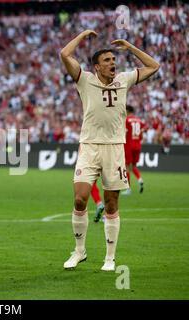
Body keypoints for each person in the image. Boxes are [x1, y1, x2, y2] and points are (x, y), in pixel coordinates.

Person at [60, 30, 160, 271]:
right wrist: (83, 35)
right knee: (79, 198)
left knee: (112, 204)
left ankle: (109, 257)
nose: (112, 63)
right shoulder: (84, 79)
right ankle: (79, 251)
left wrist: (130, 46)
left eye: (113, 60)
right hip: (89, 145)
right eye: (107, 60)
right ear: (96, 66)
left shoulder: (124, 79)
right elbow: (64, 53)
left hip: (115, 148)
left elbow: (154, 65)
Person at [122, 105, 145, 195]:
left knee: (127, 167)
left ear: (128, 111)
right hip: (138, 145)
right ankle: (140, 180)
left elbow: (124, 133)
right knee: (134, 166)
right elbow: (142, 135)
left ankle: (128, 189)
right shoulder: (139, 121)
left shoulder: (127, 120)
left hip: (129, 145)